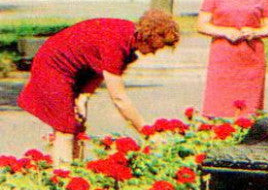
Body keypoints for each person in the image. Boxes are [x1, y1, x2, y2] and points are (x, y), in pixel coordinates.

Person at [17, 10, 180, 166]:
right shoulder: (117, 42)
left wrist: (83, 98)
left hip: (75, 71)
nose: (153, 53)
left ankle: (75, 172)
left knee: (77, 125)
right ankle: (63, 182)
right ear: (149, 38)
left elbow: (99, 70)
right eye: (155, 48)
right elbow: (119, 98)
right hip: (53, 66)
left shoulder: (130, 40)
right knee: (65, 130)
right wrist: (147, 132)